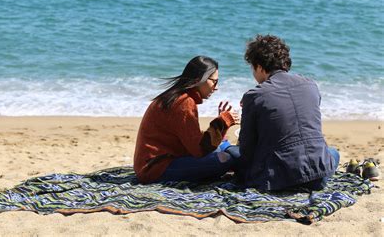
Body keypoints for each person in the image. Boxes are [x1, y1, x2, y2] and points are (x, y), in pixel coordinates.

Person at [226, 34, 339, 191]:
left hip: (279, 178)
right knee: (333, 153)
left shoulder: (255, 95)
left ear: (259, 66)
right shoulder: (311, 85)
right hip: (319, 175)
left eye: (252, 68)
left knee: (231, 152)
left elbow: (247, 150)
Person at [133, 56, 240, 184]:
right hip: (155, 169)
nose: (216, 87)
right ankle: (240, 159)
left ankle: (235, 156)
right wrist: (222, 122)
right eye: (214, 82)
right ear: (200, 79)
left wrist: (221, 125)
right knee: (224, 159)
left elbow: (193, 142)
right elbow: (199, 150)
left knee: (221, 148)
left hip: (161, 161)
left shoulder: (179, 96)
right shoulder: (184, 102)